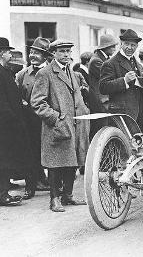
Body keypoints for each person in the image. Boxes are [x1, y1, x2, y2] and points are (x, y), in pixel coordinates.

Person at [31, 39, 90, 212]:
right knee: (56, 164)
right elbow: (37, 103)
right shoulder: (46, 73)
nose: (66, 54)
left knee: (72, 161)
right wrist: (56, 119)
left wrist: (83, 112)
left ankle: (68, 195)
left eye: (68, 51)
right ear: (53, 53)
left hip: (75, 125)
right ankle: (54, 198)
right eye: (62, 51)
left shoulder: (71, 71)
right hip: (57, 126)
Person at [99, 29, 143, 142]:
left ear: (136, 46)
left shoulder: (136, 62)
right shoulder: (110, 63)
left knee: (138, 147)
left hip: (140, 113)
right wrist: (124, 81)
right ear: (121, 44)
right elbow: (103, 87)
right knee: (124, 148)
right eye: (126, 44)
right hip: (123, 115)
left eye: (133, 45)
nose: (130, 48)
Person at [16, 37, 54, 199]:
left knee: (51, 152)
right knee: (30, 153)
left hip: (48, 120)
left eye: (37, 53)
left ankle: (53, 185)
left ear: (45, 56)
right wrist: (22, 102)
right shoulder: (22, 74)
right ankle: (30, 186)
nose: (32, 55)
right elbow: (16, 95)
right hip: (29, 121)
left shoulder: (52, 73)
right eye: (31, 52)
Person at [0, 37, 33, 206]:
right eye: (7, 51)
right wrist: (13, 120)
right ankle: (2, 195)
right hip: (5, 125)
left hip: (7, 123)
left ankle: (3, 189)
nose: (9, 54)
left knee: (5, 159)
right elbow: (2, 102)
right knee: (4, 159)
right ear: (1, 53)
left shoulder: (4, 70)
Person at [88, 34, 118, 139]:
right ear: (105, 47)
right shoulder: (96, 61)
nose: (115, 49)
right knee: (101, 129)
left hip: (104, 100)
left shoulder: (102, 59)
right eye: (112, 46)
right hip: (100, 101)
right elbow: (110, 77)